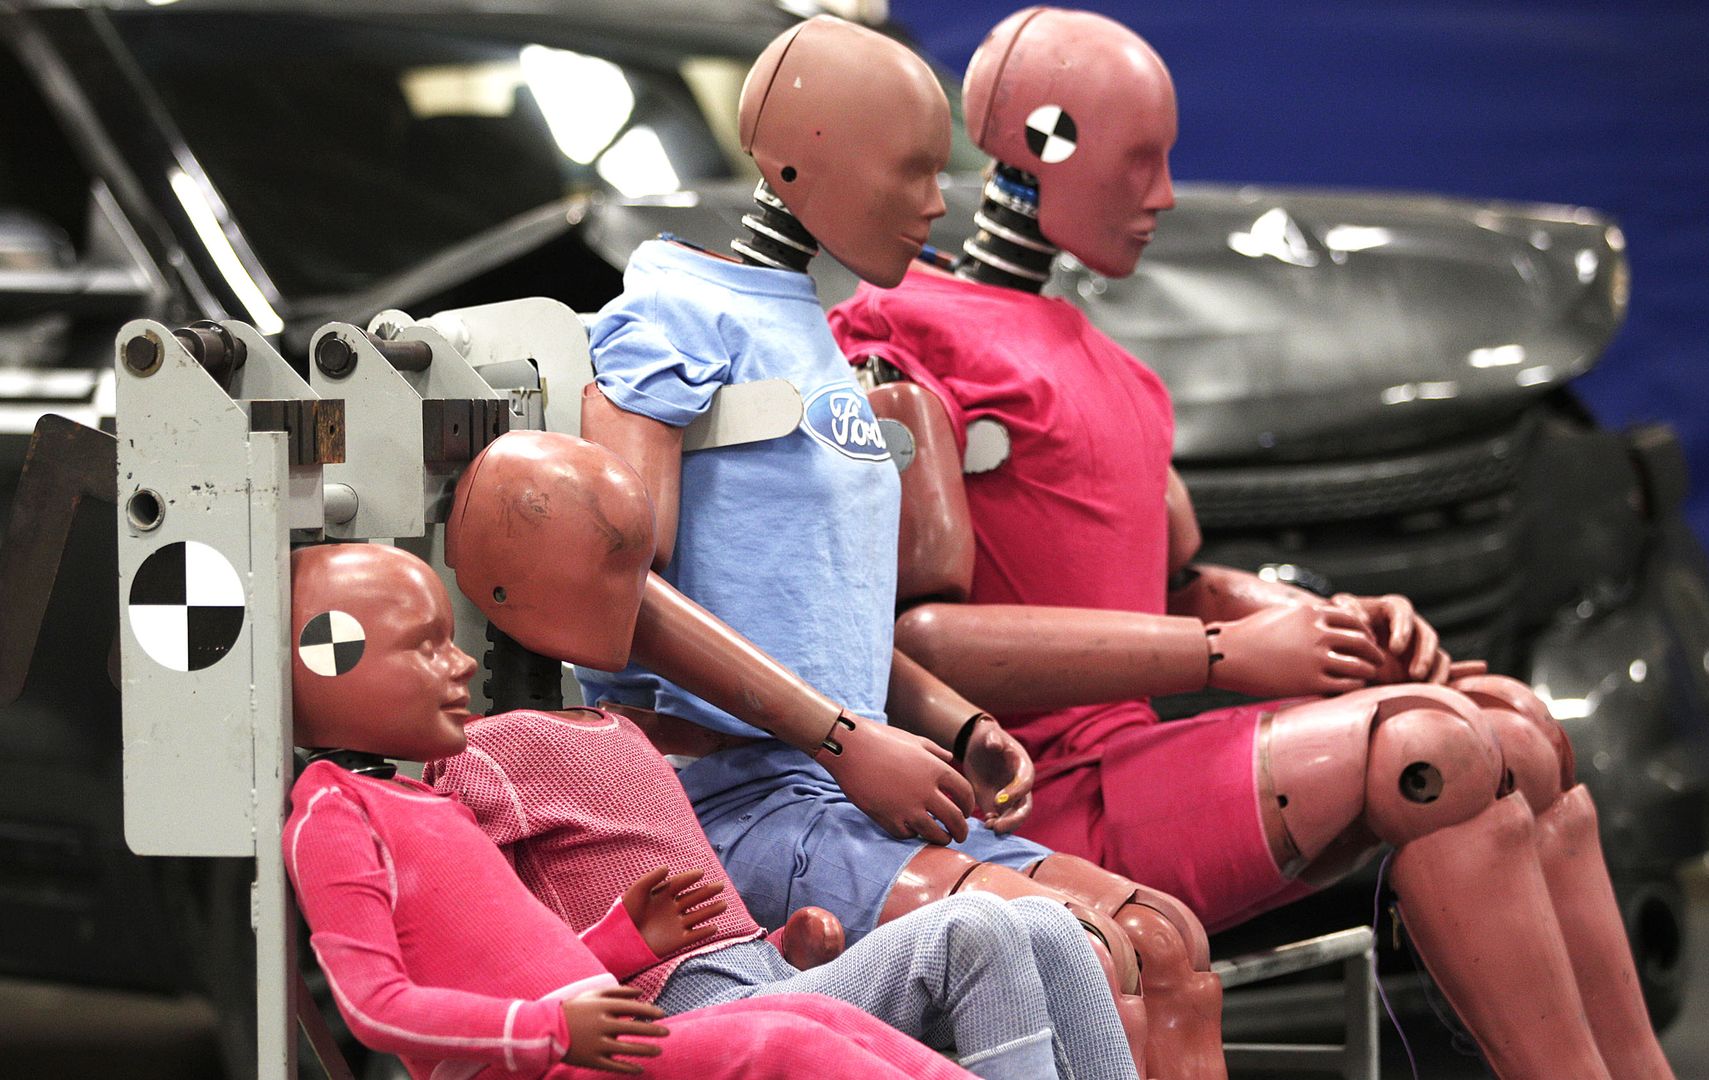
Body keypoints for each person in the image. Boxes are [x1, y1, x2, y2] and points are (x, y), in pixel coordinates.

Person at [828, 8, 1679, 1080]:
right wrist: (1229, 658)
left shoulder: (1110, 369)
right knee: (1434, 754)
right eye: (1139, 160)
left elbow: (1179, 579)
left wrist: (1320, 624)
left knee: (1518, 727)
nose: (1164, 195)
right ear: (1044, 143)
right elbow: (917, 643)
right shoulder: (901, 338)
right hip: (1024, 797)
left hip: (1127, 766)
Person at [445, 16, 1225, 1076]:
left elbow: (816, 601)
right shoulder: (676, 314)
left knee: (1166, 945)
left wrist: (957, 721)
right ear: (803, 154)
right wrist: (843, 739)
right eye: (908, 170)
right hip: (734, 802)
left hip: (834, 782)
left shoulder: (810, 329)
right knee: (1081, 947)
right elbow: (609, 589)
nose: (937, 200)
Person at [283, 542, 975, 1080]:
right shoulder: (334, 814)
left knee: (810, 1013)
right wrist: (550, 1030)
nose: (461, 665)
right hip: (547, 1062)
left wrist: (624, 944)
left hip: (581, 1047)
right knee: (780, 1039)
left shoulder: (421, 802)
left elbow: (499, 961)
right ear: (328, 662)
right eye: (426, 646)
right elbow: (375, 1006)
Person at [429, 705, 1137, 1080]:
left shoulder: (624, 732)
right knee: (972, 929)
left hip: (763, 974)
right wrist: (616, 945)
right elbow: (489, 960)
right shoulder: (482, 756)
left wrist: (775, 943)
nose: (453, 662)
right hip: (683, 1007)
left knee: (1045, 922)